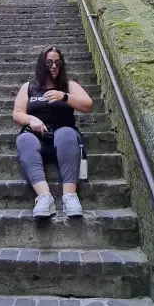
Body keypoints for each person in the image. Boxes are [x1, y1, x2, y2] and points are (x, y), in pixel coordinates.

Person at [13, 46, 93, 218]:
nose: (54, 66)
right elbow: (18, 112)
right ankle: (44, 197)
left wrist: (63, 96)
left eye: (58, 62)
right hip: (37, 137)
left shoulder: (69, 85)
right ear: (42, 64)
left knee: (66, 133)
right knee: (24, 139)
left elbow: (87, 105)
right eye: (49, 62)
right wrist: (31, 119)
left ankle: (69, 196)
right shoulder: (29, 87)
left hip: (65, 138)